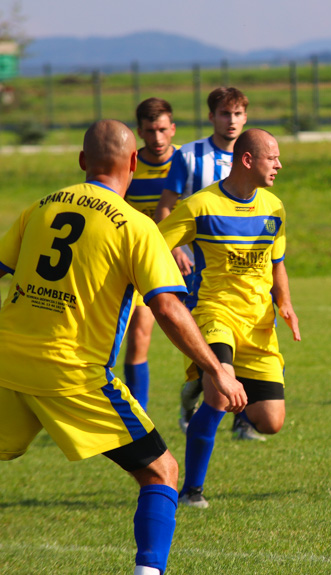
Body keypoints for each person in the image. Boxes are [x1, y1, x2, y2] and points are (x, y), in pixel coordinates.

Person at [0, 120, 247, 575]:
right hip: (72, 374)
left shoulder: (41, 207)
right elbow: (169, 309)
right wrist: (216, 369)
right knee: (161, 472)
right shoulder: (135, 226)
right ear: (134, 163)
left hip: (7, 360)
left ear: (81, 162)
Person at [158, 128, 301, 509]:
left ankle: (199, 387)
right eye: (273, 158)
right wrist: (167, 277)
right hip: (213, 312)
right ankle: (192, 491)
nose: (279, 165)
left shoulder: (274, 207)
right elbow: (153, 246)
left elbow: (277, 261)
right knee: (221, 393)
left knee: (271, 421)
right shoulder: (200, 206)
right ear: (248, 160)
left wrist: (285, 302)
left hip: (258, 324)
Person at [153, 86, 261, 440]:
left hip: (243, 271)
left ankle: (242, 420)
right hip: (201, 273)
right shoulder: (189, 156)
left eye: (238, 114)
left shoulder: (255, 156)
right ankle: (196, 388)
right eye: (224, 114)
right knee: (213, 344)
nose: (231, 121)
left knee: (242, 343)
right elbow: (167, 206)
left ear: (245, 117)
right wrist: (176, 250)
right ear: (211, 117)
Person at [123, 97, 179, 410]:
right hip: (133, 263)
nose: (157, 138)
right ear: (140, 133)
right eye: (150, 131)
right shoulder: (129, 165)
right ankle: (137, 412)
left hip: (176, 262)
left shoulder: (185, 163)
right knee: (138, 335)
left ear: (172, 129)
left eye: (162, 129)